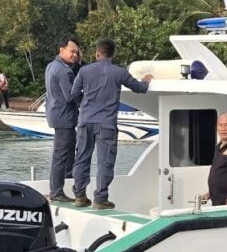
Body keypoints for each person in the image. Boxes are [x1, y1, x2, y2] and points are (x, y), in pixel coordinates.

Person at [69, 38, 152, 209]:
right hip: (106, 124)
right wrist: (147, 80)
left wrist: (84, 106)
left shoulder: (84, 71)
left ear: (97, 53)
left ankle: (79, 196)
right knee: (105, 162)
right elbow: (140, 88)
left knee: (82, 159)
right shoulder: (119, 72)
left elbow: (74, 93)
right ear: (113, 54)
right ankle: (100, 198)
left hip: (85, 121)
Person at [44, 35, 82, 203]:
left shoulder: (51, 66)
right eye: (72, 51)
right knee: (60, 155)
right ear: (62, 50)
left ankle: (66, 179)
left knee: (67, 150)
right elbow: (70, 95)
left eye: (77, 52)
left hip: (55, 114)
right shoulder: (64, 70)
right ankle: (56, 191)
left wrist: (77, 64)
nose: (75, 54)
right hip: (64, 117)